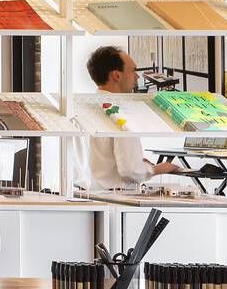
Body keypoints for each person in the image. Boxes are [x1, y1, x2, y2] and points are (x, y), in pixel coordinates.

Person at [72, 46, 183, 193]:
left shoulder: (82, 109)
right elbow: (130, 170)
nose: (137, 77)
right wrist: (158, 169)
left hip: (85, 194)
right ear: (117, 76)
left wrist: (137, 162)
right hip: (116, 197)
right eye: (133, 71)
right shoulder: (119, 113)